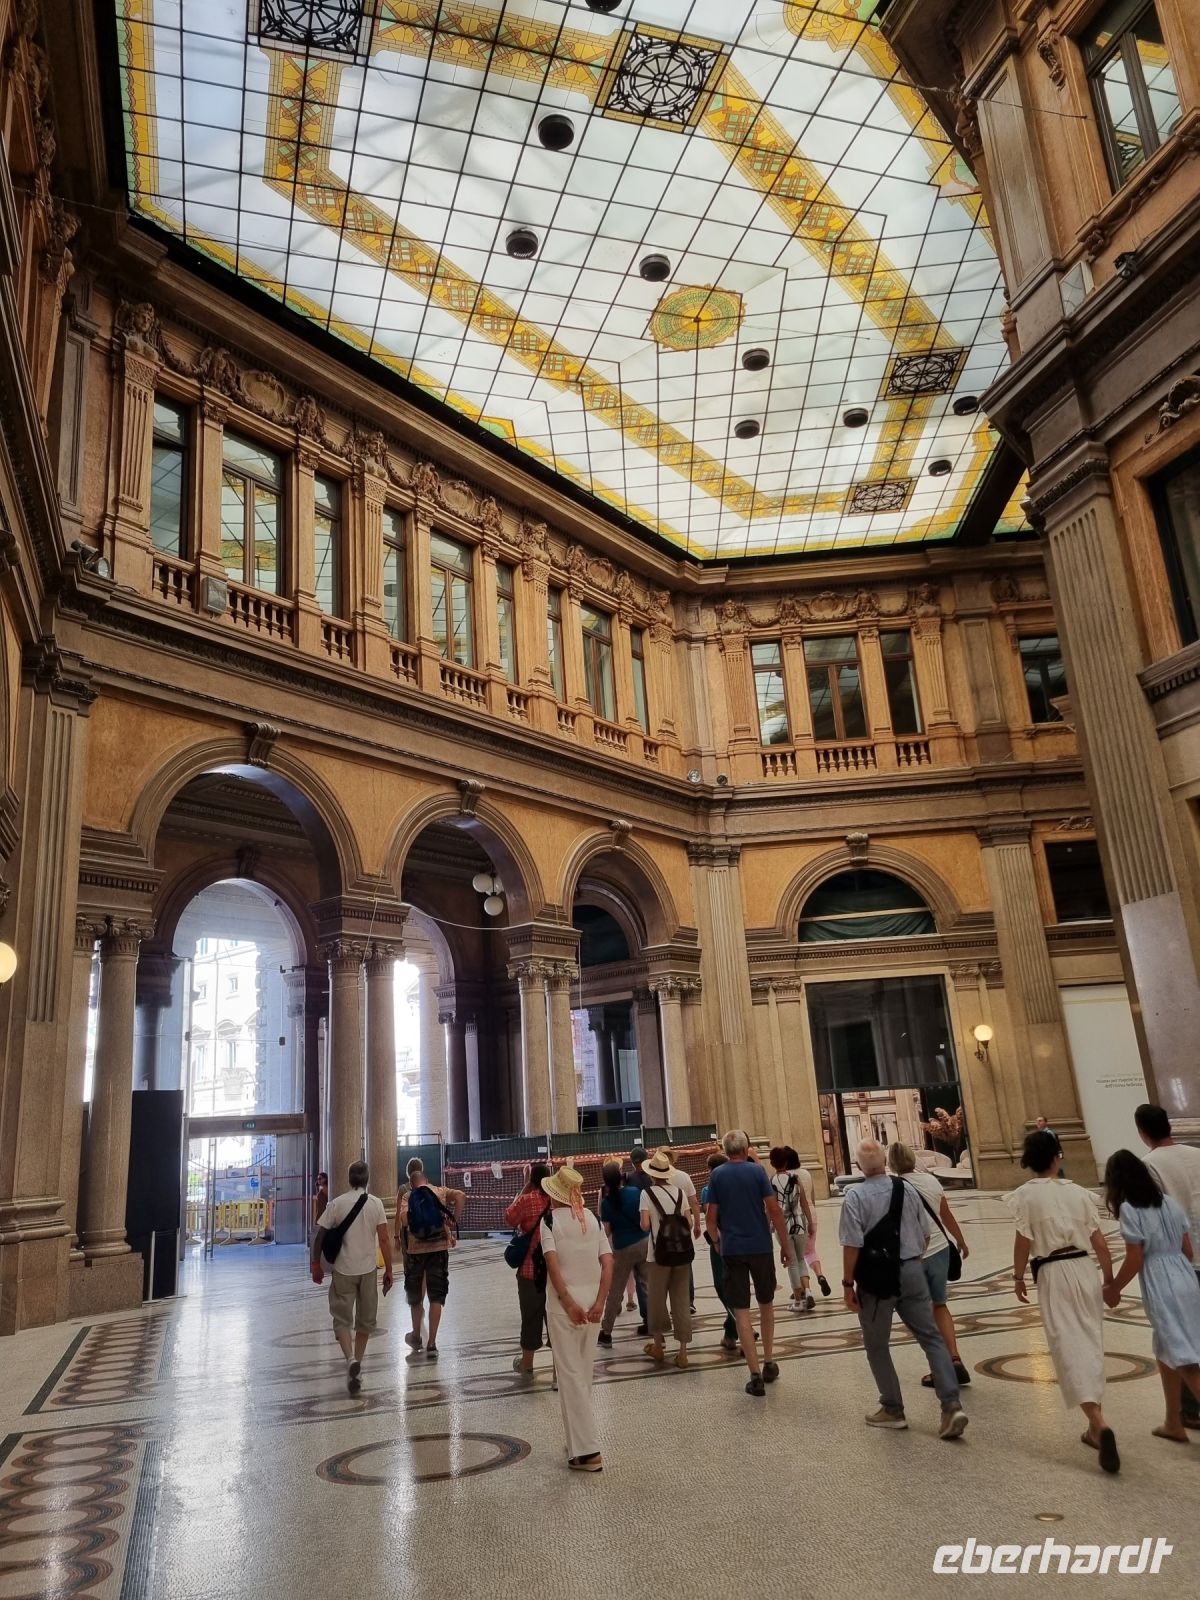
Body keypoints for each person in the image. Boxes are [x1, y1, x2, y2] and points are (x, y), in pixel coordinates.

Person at [840, 1139, 967, 1440]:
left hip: (876, 1280)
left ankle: (892, 1409)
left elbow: (852, 1245)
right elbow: (925, 1233)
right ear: (884, 1162)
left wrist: (847, 1284)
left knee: (877, 1345)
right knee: (931, 1337)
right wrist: (911, 1263)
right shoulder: (906, 1189)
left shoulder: (855, 1196)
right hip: (912, 1269)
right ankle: (951, 1405)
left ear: (858, 1166)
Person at [1008, 1130, 1118, 1472]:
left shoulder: (1025, 1196)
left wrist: (1017, 1276)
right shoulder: (1079, 1193)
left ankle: (1098, 1423)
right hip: (1084, 1268)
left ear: (1029, 1161)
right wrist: (1109, 1280)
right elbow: (1100, 1243)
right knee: (1090, 1342)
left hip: (1053, 1272)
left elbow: (1023, 1242)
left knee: (1067, 1346)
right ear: (1057, 1157)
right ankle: (1094, 1427)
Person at [1104, 1148, 1200, 1443]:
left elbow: (1135, 1257)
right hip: (1185, 1275)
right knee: (1166, 1348)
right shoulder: (1169, 1203)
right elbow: (1187, 1249)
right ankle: (1173, 1421)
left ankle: (1177, 1418)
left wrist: (1114, 1287)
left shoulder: (1130, 1209)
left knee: (1183, 1355)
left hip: (1161, 1282)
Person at [704, 1129, 792, 1396]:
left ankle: (754, 1376)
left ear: (725, 1150)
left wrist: (717, 1242)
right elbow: (774, 1210)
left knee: (741, 1310)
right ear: (745, 1149)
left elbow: (710, 1218)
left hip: (733, 1250)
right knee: (766, 1304)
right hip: (761, 1247)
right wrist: (785, 1245)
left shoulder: (717, 1176)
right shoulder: (757, 1172)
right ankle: (769, 1362)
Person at [540, 1165, 613, 1471]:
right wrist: (600, 1302)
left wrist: (568, 1302)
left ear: (554, 1194)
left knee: (570, 1376)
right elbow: (608, 1262)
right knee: (581, 1374)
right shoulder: (592, 1219)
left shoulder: (549, 1222)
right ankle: (575, 1441)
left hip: (563, 1308)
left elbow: (553, 1266)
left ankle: (587, 1452)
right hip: (592, 1305)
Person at [886, 1140, 972, 1387]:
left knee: (921, 1314)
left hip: (913, 1255)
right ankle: (954, 1358)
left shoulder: (893, 1187)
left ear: (892, 1163)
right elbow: (945, 1214)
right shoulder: (931, 1181)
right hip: (940, 1249)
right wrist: (960, 1239)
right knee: (940, 1305)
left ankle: (939, 1369)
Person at [1136, 1102, 1200, 1427]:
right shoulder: (1196, 1154)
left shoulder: (1148, 1165)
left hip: (1180, 1260)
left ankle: (1190, 1410)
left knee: (1181, 1335)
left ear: (1142, 1132)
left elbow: (1154, 1219)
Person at [310, 1160, 392, 1394]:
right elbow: (384, 1239)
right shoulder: (376, 1204)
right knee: (365, 1321)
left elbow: (320, 1236)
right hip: (367, 1270)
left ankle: (350, 1359)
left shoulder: (336, 1204)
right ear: (367, 1179)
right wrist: (388, 1269)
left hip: (343, 1270)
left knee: (341, 1319)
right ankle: (358, 1361)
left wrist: (316, 1264)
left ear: (349, 1179)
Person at [394, 1156, 465, 1359]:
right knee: (436, 1296)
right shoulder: (440, 1191)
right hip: (439, 1250)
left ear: (412, 1183)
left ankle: (416, 1335)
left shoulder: (408, 1195)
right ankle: (432, 1342)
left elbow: (404, 1220)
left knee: (416, 1296)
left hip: (416, 1253)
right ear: (425, 1179)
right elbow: (461, 1196)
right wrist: (453, 1220)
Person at [639, 1149, 694, 1367]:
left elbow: (645, 1225)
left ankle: (658, 1347)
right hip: (681, 1254)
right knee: (681, 1300)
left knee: (656, 1300)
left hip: (658, 1256)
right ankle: (683, 1353)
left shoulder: (646, 1194)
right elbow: (689, 1222)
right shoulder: (679, 1193)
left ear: (652, 1174)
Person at [504, 1160, 551, 1382]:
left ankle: (528, 1365)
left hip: (530, 1271)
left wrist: (525, 1188)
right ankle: (558, 1372)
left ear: (532, 1181)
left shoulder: (527, 1199)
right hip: (555, 1271)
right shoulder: (558, 1201)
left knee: (530, 1316)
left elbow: (509, 1217)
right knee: (557, 1320)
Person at [597, 1160, 648, 1346]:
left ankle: (606, 1332)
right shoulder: (635, 1192)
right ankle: (653, 1324)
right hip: (644, 1242)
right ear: (621, 1177)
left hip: (623, 1248)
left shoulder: (607, 1203)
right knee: (647, 1286)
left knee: (615, 1291)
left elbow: (607, 1231)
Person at [769, 1146, 817, 1312]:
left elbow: (771, 1208)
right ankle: (808, 1290)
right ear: (786, 1162)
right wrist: (810, 1222)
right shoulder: (796, 1179)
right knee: (801, 1259)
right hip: (800, 1223)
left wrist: (769, 1226)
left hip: (783, 1226)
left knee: (792, 1263)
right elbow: (804, 1203)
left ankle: (798, 1300)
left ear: (772, 1163)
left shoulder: (771, 1182)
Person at [701, 1152, 741, 1351]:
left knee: (721, 1285)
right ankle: (730, 1332)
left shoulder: (708, 1190)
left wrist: (716, 1241)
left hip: (721, 1243)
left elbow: (710, 1217)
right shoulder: (736, 1186)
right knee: (736, 1286)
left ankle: (741, 1326)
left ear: (711, 1170)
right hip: (740, 1240)